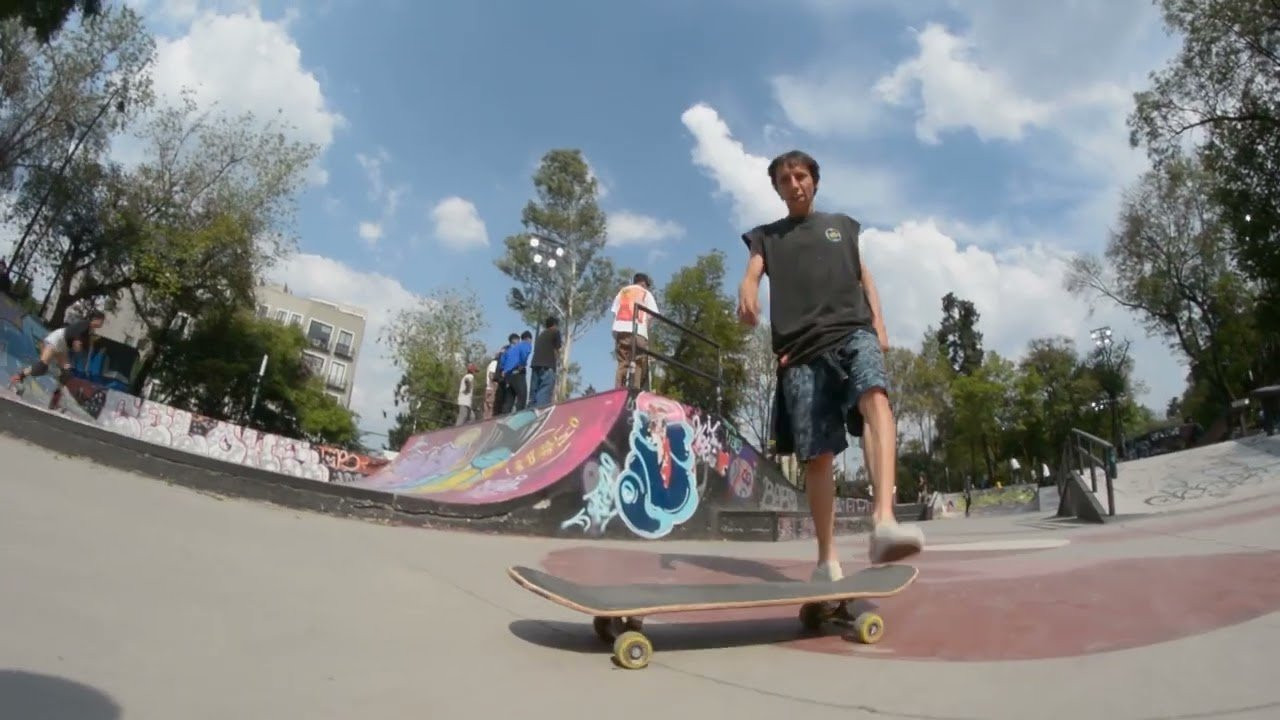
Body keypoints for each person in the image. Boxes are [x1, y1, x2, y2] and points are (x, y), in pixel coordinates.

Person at [737, 149, 924, 581]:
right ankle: (827, 560)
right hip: (800, 349)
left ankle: (884, 520)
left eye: (801, 176)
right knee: (817, 456)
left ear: (814, 181)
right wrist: (747, 289)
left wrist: (879, 323)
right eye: (785, 181)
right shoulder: (767, 236)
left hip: (853, 330)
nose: (794, 185)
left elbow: (863, 275)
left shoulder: (841, 225)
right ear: (777, 189)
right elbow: (753, 271)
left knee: (875, 398)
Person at [9, 309, 106, 398]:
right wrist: (77, 342)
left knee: (66, 373)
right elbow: (75, 333)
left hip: (64, 346)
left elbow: (82, 346)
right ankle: (18, 377)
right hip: (58, 339)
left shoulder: (90, 331)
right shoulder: (85, 324)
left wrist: (86, 344)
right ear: (96, 319)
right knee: (42, 366)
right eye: (102, 321)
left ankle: (56, 395)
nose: (102, 323)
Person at [610, 272, 658, 389]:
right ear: (644, 284)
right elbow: (651, 316)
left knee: (622, 362)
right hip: (638, 331)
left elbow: (615, 312)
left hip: (621, 330)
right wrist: (646, 335)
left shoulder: (623, 292)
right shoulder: (646, 293)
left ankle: (618, 390)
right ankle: (634, 391)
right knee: (638, 362)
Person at [529, 316, 561, 408]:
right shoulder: (555, 331)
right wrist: (557, 364)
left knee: (533, 395)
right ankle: (541, 413)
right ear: (555, 325)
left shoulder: (541, 335)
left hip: (535, 365)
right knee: (544, 393)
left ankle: (530, 413)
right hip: (547, 366)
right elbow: (557, 350)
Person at [499, 330, 532, 413]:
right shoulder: (526, 344)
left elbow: (502, 360)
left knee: (509, 399)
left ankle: (504, 417)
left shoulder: (510, 349)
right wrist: (522, 364)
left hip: (508, 375)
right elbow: (525, 353)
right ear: (529, 339)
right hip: (517, 373)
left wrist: (503, 370)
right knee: (522, 397)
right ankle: (519, 418)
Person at [483, 354, 499, 419]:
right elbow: (491, 374)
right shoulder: (495, 363)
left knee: (486, 410)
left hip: (488, 388)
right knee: (491, 408)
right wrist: (494, 386)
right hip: (491, 389)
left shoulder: (490, 364)